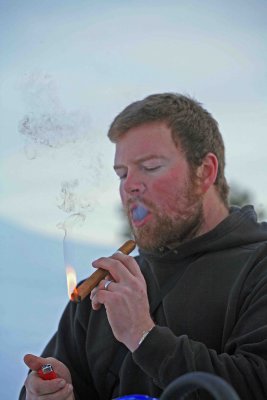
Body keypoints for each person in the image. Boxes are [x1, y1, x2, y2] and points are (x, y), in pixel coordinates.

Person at [19, 93, 267, 400]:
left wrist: (143, 336)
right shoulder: (103, 292)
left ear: (205, 171)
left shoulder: (258, 268)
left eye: (149, 167)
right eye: (122, 173)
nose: (129, 186)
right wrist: (46, 392)